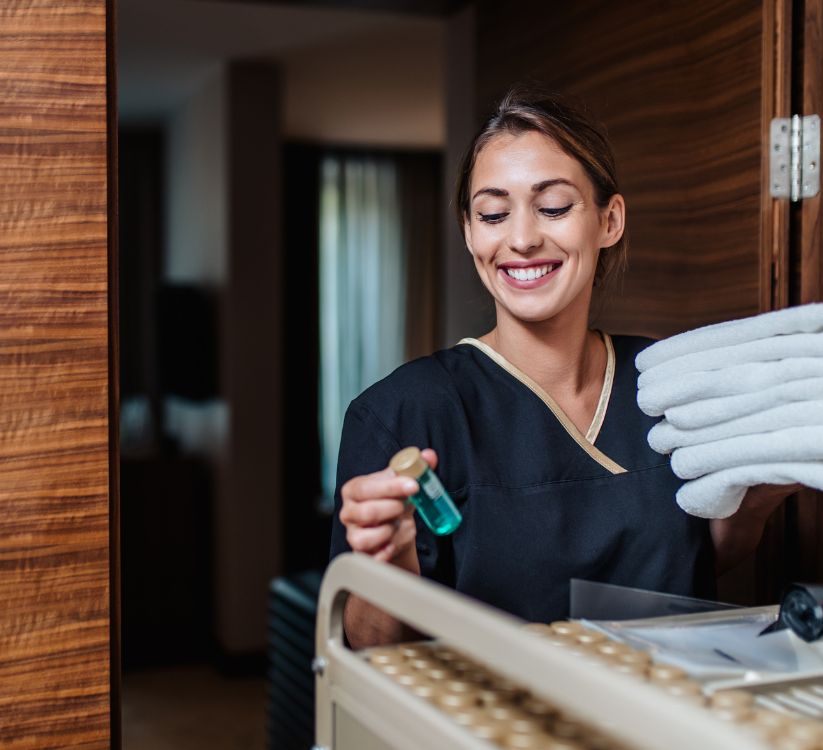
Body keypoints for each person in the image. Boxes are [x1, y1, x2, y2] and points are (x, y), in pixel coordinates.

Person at [329, 85, 798, 649]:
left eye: (552, 207)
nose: (522, 239)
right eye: (494, 213)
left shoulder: (668, 379)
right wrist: (389, 564)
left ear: (610, 220)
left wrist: (758, 501)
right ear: (470, 232)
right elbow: (366, 649)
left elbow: (697, 559)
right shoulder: (404, 412)